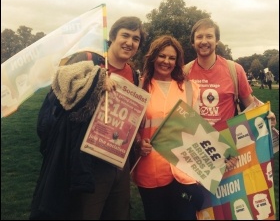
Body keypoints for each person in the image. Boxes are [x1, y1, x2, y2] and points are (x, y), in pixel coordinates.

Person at [29, 16, 147, 220]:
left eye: (135, 38)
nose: (130, 42)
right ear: (112, 37)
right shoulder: (89, 60)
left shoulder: (133, 74)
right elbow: (61, 87)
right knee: (86, 213)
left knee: (117, 214)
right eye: (125, 35)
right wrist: (96, 81)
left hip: (118, 159)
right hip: (88, 159)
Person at [131, 35, 204, 220]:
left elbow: (198, 129)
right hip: (150, 170)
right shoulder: (139, 87)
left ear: (178, 61)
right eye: (162, 56)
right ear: (153, 57)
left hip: (183, 172)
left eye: (172, 58)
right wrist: (139, 142)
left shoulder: (190, 88)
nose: (166, 61)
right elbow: (130, 128)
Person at [183, 18, 277, 140]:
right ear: (193, 42)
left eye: (209, 36)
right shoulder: (184, 72)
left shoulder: (235, 69)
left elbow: (249, 103)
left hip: (229, 144)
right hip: (196, 144)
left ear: (217, 41)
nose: (204, 41)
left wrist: (266, 114)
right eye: (199, 37)